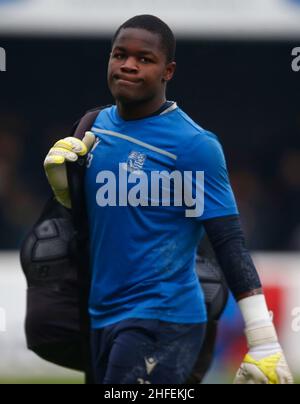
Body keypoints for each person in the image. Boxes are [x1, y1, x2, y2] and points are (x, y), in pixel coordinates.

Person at [43, 15, 293, 384]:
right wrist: (64, 191)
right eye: (119, 55)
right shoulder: (91, 127)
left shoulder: (195, 145)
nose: (128, 65)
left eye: (144, 59)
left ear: (168, 71)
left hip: (164, 318)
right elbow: (92, 224)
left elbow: (228, 241)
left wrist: (263, 340)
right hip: (101, 317)